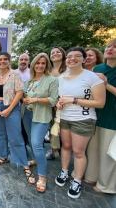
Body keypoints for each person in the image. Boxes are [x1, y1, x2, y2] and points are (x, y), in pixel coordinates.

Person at [55, 47, 106, 199]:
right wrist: (60, 103)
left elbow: (100, 103)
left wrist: (74, 100)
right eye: (69, 56)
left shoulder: (92, 77)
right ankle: (64, 171)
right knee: (66, 146)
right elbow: (61, 97)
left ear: (84, 60)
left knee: (78, 152)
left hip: (83, 119)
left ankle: (77, 180)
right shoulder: (61, 77)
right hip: (65, 118)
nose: (72, 59)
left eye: (77, 56)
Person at [0, 52, 35, 186]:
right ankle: (3, 156)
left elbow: (20, 92)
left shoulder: (15, 75)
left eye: (5, 59)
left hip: (11, 108)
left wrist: (9, 109)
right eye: (0, 59)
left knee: (15, 136)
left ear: (9, 61)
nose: (2, 61)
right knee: (0, 134)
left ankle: (24, 163)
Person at [22, 53, 59, 193]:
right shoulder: (29, 81)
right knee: (32, 143)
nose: (40, 65)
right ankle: (37, 160)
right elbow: (25, 95)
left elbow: (53, 100)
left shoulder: (52, 80)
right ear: (33, 65)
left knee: (37, 144)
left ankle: (42, 176)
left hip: (41, 116)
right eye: (37, 63)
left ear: (46, 65)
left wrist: (35, 100)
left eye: (43, 63)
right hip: (27, 114)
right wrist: (25, 99)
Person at [84, 39, 116, 194]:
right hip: (96, 115)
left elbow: (104, 86)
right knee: (93, 149)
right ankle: (91, 176)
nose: (110, 49)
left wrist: (106, 84)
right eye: (109, 46)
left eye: (115, 47)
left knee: (108, 153)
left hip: (113, 118)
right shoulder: (98, 68)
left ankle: (106, 185)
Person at [46, 47, 67, 160]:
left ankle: (66, 149)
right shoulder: (48, 70)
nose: (55, 54)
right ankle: (54, 149)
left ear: (63, 54)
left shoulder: (68, 69)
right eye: (52, 52)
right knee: (52, 126)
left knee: (64, 128)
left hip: (65, 103)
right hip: (50, 103)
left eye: (58, 52)